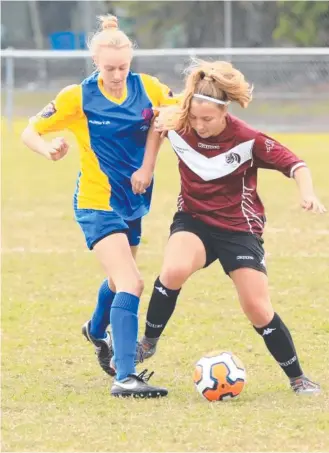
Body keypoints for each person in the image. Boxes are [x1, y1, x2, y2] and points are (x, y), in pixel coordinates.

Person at [132, 59, 326, 395]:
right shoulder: (181, 121)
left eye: (207, 119)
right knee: (174, 269)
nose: (199, 125)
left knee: (256, 307)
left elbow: (296, 164)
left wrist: (307, 193)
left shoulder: (248, 139)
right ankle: (147, 342)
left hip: (239, 228)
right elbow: (156, 126)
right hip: (193, 219)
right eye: (194, 117)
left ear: (225, 112)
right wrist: (147, 168)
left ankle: (298, 378)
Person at [21, 15, 176, 398]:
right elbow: (30, 130)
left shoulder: (151, 88)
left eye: (123, 67)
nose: (118, 74)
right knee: (132, 282)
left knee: (117, 280)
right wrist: (48, 149)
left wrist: (148, 166)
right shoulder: (78, 95)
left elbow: (170, 118)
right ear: (96, 63)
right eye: (110, 68)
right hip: (96, 202)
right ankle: (125, 376)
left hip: (134, 201)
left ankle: (94, 329)